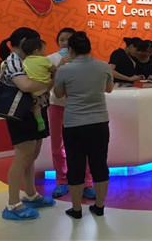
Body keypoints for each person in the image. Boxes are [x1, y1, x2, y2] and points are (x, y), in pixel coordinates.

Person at [54, 32, 114, 219]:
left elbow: (58, 94)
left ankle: (77, 209)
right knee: (99, 164)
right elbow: (109, 89)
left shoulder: (64, 70)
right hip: (99, 123)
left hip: (73, 124)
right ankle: (100, 206)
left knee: (75, 166)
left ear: (70, 50)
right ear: (89, 48)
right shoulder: (103, 66)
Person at [0, 27, 56, 221]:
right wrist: (47, 81)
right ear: (24, 41)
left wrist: (45, 83)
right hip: (21, 113)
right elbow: (26, 86)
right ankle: (13, 203)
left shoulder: (30, 60)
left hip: (37, 109)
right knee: (22, 156)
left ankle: (31, 194)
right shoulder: (13, 61)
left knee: (32, 155)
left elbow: (40, 85)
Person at [46, 28, 96, 199]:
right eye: (61, 39)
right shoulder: (50, 59)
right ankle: (61, 181)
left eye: (68, 39)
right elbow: (46, 83)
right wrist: (59, 67)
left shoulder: (86, 60)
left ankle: (87, 182)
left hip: (79, 107)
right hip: (57, 105)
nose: (65, 43)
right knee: (57, 145)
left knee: (83, 145)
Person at [22, 39, 56, 132]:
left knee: (35, 106)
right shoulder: (44, 59)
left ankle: (39, 120)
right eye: (44, 49)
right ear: (37, 51)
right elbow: (53, 68)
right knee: (46, 98)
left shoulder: (24, 61)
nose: (45, 52)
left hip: (32, 89)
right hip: (45, 85)